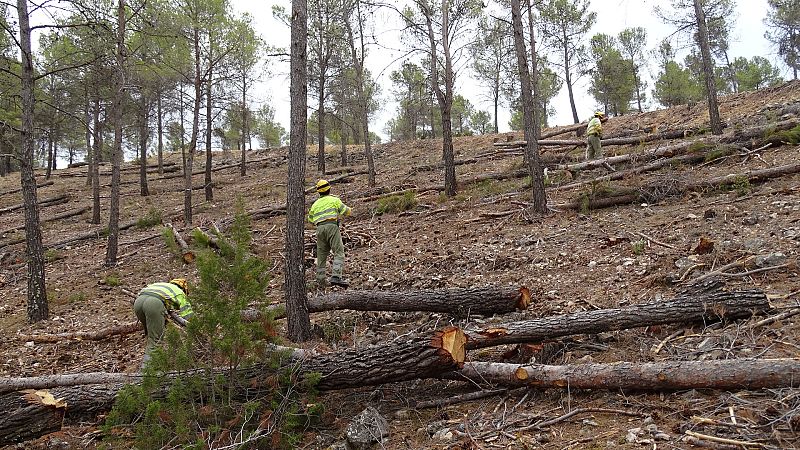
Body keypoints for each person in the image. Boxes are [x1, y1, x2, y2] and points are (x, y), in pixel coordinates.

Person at [133, 278, 193, 365]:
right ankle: (146, 373)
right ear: (184, 289)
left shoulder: (160, 285)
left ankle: (151, 362)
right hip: (153, 304)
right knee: (155, 341)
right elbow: (188, 316)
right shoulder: (180, 293)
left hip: (138, 302)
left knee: (150, 335)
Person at [307, 179, 352, 288]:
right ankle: (336, 276)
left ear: (318, 191)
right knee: (339, 251)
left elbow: (310, 219)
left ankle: (320, 280)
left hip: (319, 229)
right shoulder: (334, 200)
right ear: (329, 188)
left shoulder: (315, 205)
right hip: (332, 226)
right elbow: (346, 211)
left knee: (321, 256)